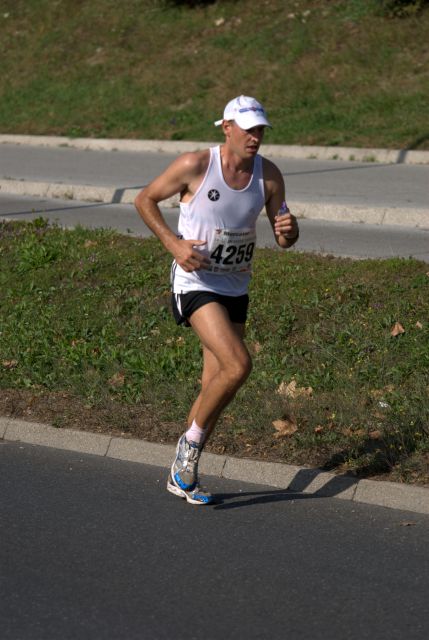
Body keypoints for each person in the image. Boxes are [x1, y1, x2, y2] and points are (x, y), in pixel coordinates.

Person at [134, 95, 299, 505]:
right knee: (239, 363)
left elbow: (285, 239)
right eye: (248, 129)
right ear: (227, 128)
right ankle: (185, 453)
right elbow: (144, 199)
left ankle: (183, 473)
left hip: (235, 287)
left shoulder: (270, 176)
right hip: (195, 281)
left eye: (260, 130)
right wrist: (173, 244)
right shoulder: (196, 165)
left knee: (217, 383)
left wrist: (289, 228)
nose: (255, 138)